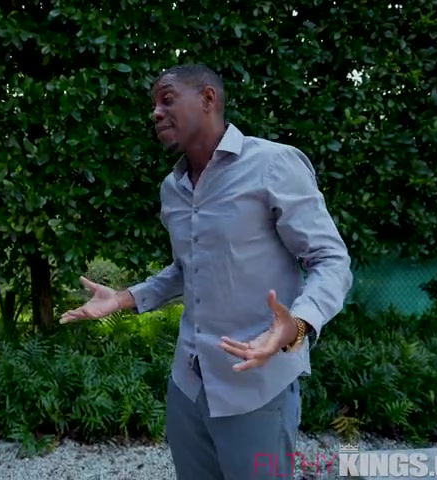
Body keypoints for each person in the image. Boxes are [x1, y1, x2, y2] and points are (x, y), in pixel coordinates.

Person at [61, 63, 353, 480]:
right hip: (188, 386)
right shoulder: (172, 189)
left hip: (256, 387)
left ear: (207, 98)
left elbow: (330, 259)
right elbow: (188, 269)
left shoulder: (273, 164)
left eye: (167, 99)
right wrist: (124, 298)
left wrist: (298, 325)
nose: (155, 113)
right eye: (153, 105)